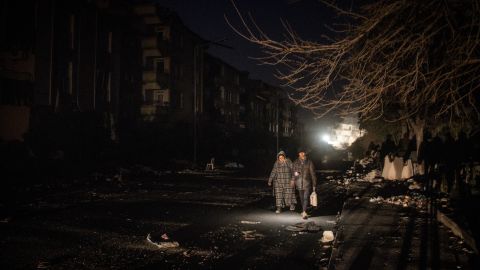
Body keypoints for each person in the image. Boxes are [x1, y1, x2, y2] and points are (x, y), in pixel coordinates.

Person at [291, 148, 317, 219]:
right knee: (302, 199)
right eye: (300, 153)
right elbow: (294, 173)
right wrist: (294, 179)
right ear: (299, 154)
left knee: (306, 198)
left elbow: (313, 174)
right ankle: (303, 210)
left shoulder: (309, 162)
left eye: (303, 153)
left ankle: (304, 212)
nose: (302, 154)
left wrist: (314, 184)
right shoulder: (295, 162)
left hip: (307, 183)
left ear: (305, 153)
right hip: (299, 183)